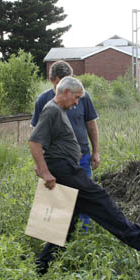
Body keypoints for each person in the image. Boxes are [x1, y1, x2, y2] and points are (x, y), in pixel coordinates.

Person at [29, 76, 140, 274]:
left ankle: (41, 268)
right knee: (99, 198)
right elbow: (34, 142)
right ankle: (138, 237)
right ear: (65, 92)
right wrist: (45, 171)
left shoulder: (58, 110)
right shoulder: (51, 110)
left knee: (65, 223)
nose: (76, 103)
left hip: (64, 167)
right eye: (76, 97)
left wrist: (44, 167)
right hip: (63, 169)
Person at [31, 60, 99, 231]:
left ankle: (82, 233)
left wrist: (95, 152)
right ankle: (55, 238)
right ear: (54, 80)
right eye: (59, 81)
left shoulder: (82, 96)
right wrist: (39, 165)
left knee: (84, 197)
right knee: (57, 200)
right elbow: (36, 135)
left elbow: (91, 123)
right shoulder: (44, 101)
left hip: (81, 156)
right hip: (57, 160)